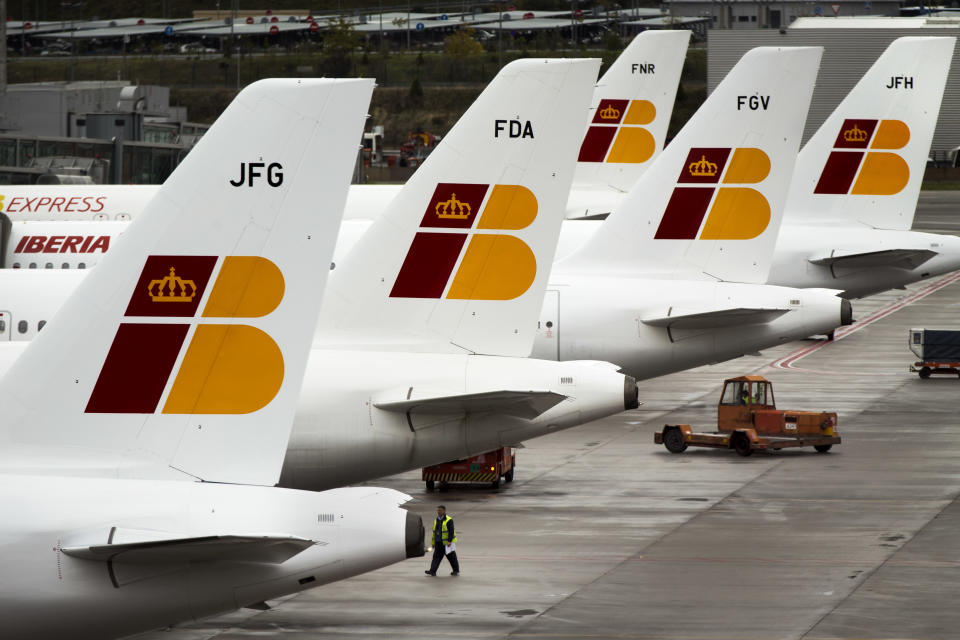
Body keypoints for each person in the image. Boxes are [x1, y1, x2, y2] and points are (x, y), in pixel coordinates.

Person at [425, 505, 460, 577]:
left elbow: (451, 531)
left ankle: (456, 570)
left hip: (447, 543)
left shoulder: (449, 520)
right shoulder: (436, 520)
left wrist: (449, 541)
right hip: (438, 542)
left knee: (451, 557)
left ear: (444, 511)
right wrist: (433, 543)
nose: (438, 512)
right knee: (436, 557)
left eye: (440, 510)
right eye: (438, 510)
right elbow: (435, 532)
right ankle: (432, 571)